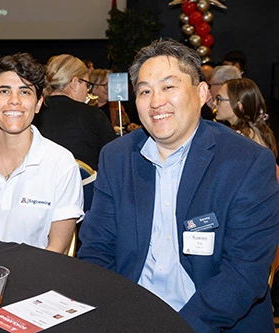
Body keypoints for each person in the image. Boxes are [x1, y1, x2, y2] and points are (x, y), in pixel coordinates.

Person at [78, 39, 279, 332]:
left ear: (201, 93)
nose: (156, 101)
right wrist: (118, 316)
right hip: (130, 314)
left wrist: (176, 327)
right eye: (145, 91)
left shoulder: (247, 162)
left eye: (169, 87)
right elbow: (97, 250)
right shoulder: (117, 157)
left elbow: (244, 273)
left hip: (212, 323)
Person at [0, 53, 83, 253]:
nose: (14, 101)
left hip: (37, 275)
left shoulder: (60, 163)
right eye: (4, 91)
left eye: (25, 92)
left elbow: (57, 250)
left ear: (38, 104)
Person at [32, 54, 116, 170]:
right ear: (75, 83)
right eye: (87, 85)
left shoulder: (32, 114)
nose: (87, 91)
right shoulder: (94, 115)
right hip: (85, 187)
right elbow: (113, 159)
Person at [215, 78, 278, 158]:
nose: (214, 103)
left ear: (239, 106)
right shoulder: (259, 130)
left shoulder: (237, 138)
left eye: (219, 99)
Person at [89, 68, 142, 132]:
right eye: (105, 85)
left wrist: (130, 127)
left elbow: (124, 125)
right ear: (94, 87)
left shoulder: (116, 105)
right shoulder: (87, 107)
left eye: (111, 85)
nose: (109, 88)